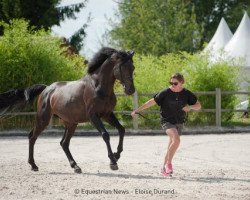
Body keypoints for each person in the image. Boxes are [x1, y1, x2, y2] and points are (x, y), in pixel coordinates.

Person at [131, 73, 201, 176]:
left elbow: (198, 106)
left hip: (179, 122)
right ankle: (169, 164)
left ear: (182, 83)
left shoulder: (187, 93)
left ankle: (163, 169)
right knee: (176, 139)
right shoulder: (165, 92)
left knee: (171, 145)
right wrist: (137, 110)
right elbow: (151, 102)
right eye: (171, 82)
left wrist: (190, 107)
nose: (172, 84)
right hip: (167, 121)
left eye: (175, 83)